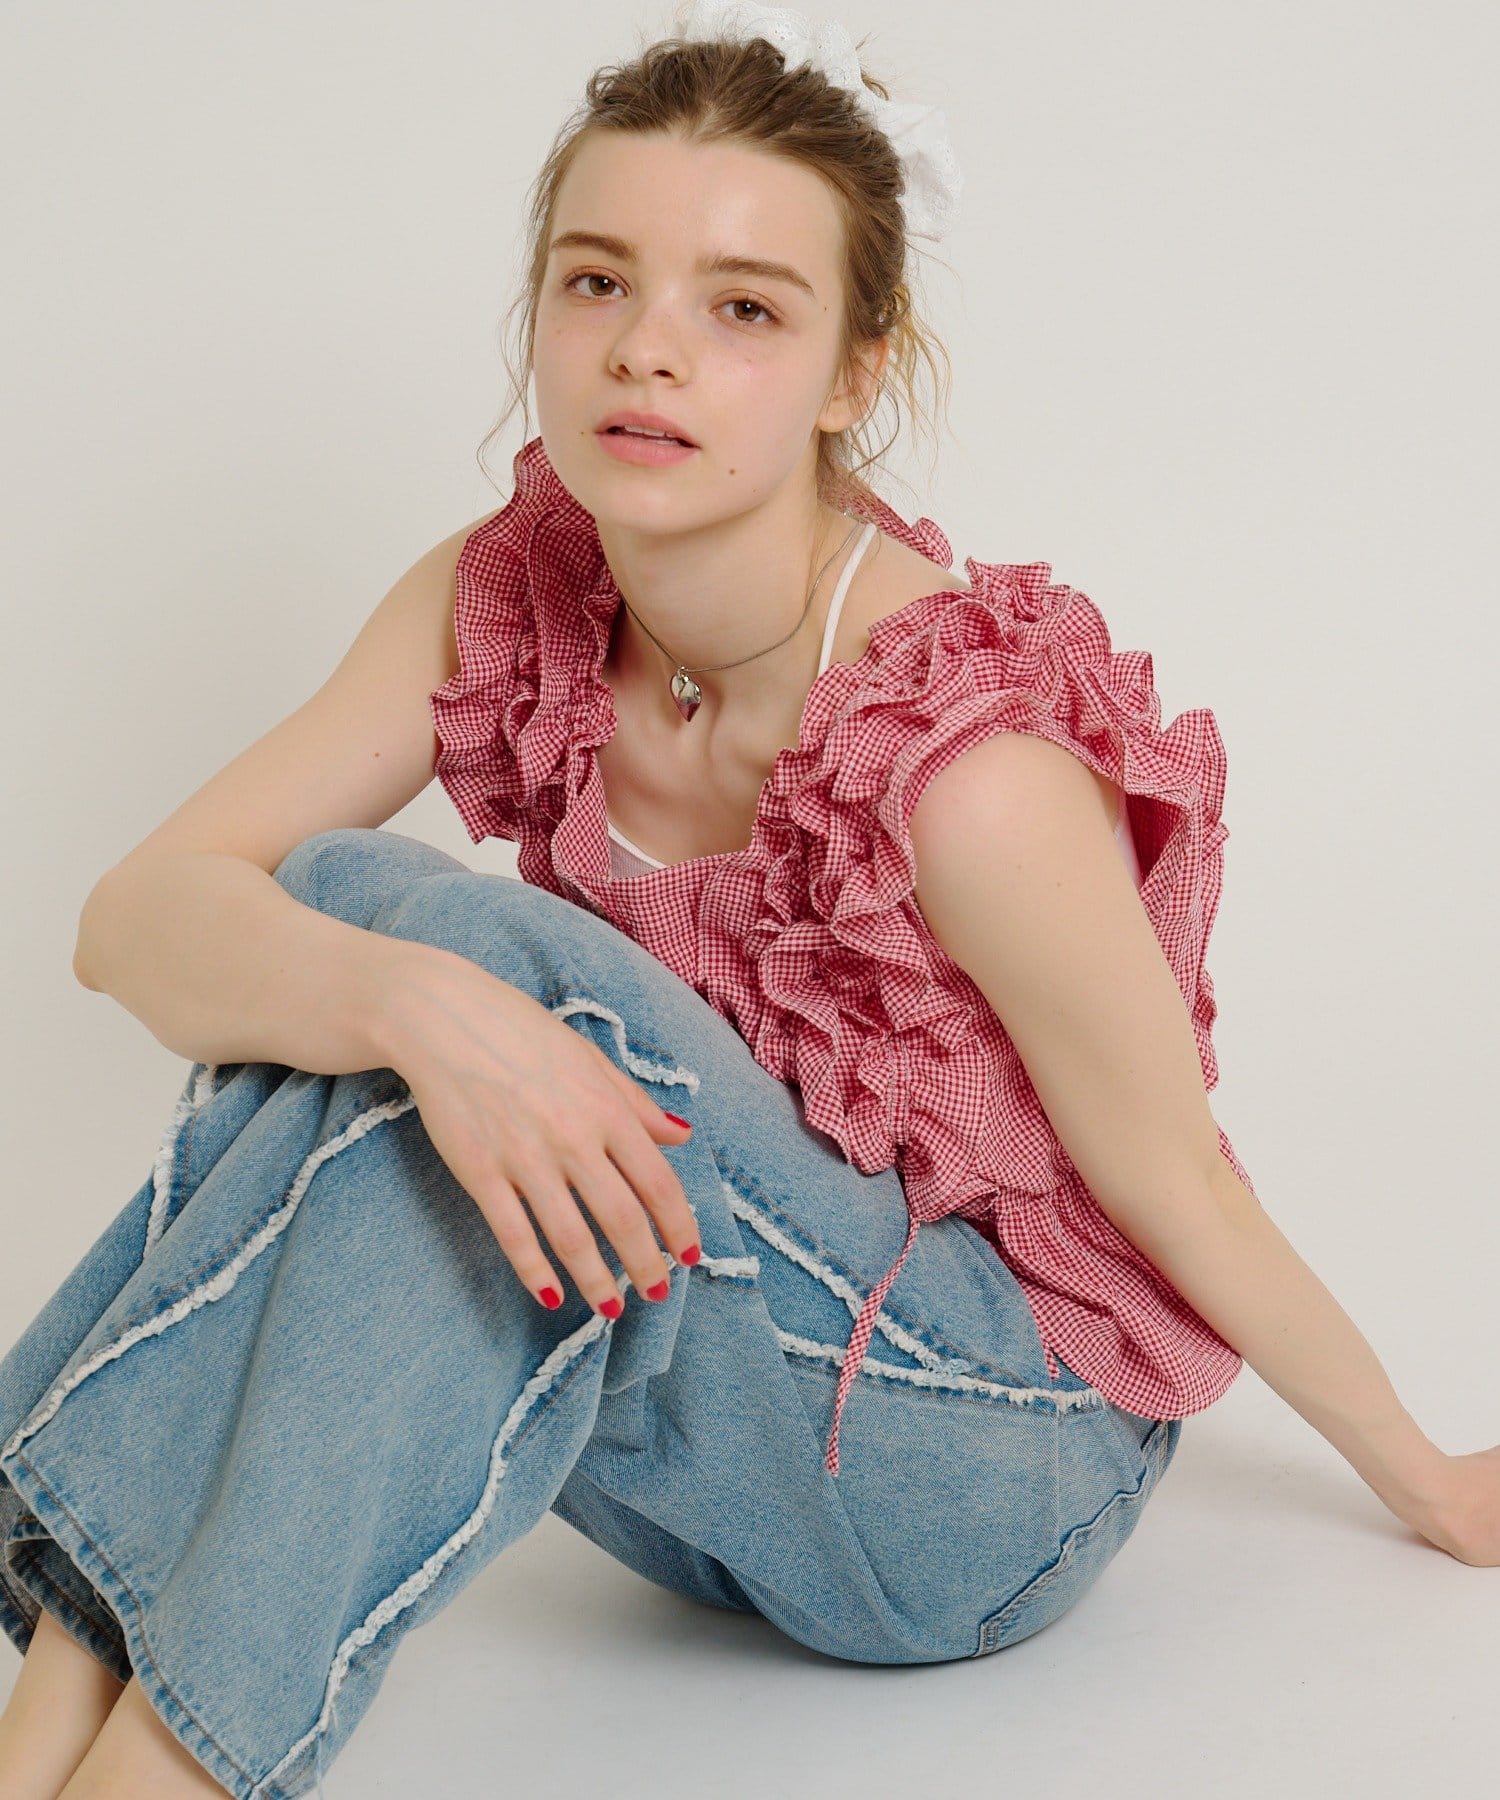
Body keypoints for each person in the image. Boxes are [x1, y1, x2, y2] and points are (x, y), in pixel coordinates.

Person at [4, 4, 1497, 1796]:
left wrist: (1427, 1477)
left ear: (856, 372)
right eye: (597, 283)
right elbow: (134, 920)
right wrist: (422, 1018)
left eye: (744, 309)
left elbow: (1180, 1179)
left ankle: (139, 1768)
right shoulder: (506, 597)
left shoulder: (959, 753)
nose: (649, 350)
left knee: (435, 948)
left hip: (987, 1468)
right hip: (703, 1450)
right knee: (368, 961)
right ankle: (48, 1754)